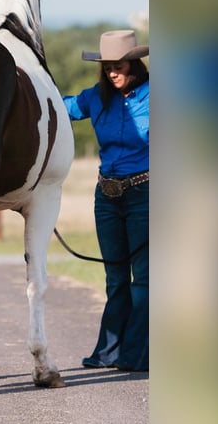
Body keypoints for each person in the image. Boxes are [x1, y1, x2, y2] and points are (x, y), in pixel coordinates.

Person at [62, 29, 149, 372]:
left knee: (143, 279)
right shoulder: (95, 98)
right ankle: (110, 351)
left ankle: (137, 354)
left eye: (119, 65)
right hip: (107, 197)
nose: (112, 71)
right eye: (107, 65)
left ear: (134, 64)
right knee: (115, 278)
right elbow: (61, 106)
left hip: (147, 194)